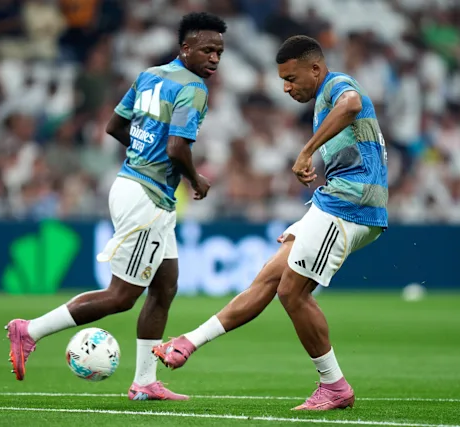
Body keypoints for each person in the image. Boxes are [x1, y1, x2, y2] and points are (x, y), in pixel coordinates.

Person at [153, 35, 388, 411]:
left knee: (292, 292)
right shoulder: (323, 98)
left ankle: (334, 386)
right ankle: (189, 342)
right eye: (283, 80)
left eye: (291, 78)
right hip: (335, 201)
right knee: (269, 277)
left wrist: (307, 151)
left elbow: (352, 104)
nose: (286, 87)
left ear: (315, 68)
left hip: (350, 205)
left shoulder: (337, 86)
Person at [5, 12, 227, 401]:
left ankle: (145, 382)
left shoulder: (149, 76)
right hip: (147, 198)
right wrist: (196, 178)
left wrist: (144, 153)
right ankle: (30, 330)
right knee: (121, 296)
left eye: (219, 52)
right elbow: (177, 147)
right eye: (207, 49)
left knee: (165, 286)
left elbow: (114, 127)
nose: (214, 58)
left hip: (134, 186)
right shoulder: (193, 89)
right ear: (185, 48)